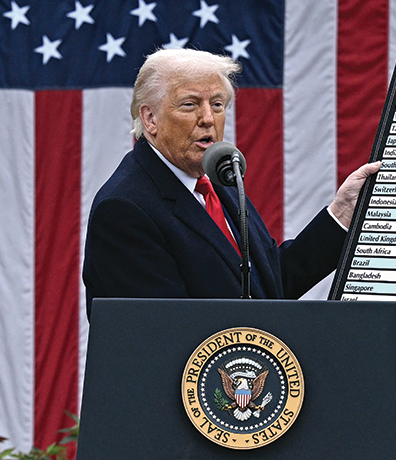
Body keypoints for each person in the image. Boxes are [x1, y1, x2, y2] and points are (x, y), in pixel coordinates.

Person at [82, 48, 378, 318]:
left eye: (218, 104)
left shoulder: (218, 181)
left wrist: (339, 216)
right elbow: (162, 333)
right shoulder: (124, 208)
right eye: (189, 104)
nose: (208, 118)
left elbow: (266, 287)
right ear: (150, 119)